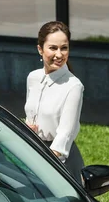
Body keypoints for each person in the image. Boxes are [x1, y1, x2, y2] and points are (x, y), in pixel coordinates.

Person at [24, 21, 85, 184]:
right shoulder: (33, 78)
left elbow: (65, 135)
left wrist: (44, 165)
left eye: (64, 48)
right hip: (33, 153)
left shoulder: (74, 86)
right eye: (53, 48)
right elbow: (31, 114)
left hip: (58, 163)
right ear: (40, 49)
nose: (59, 54)